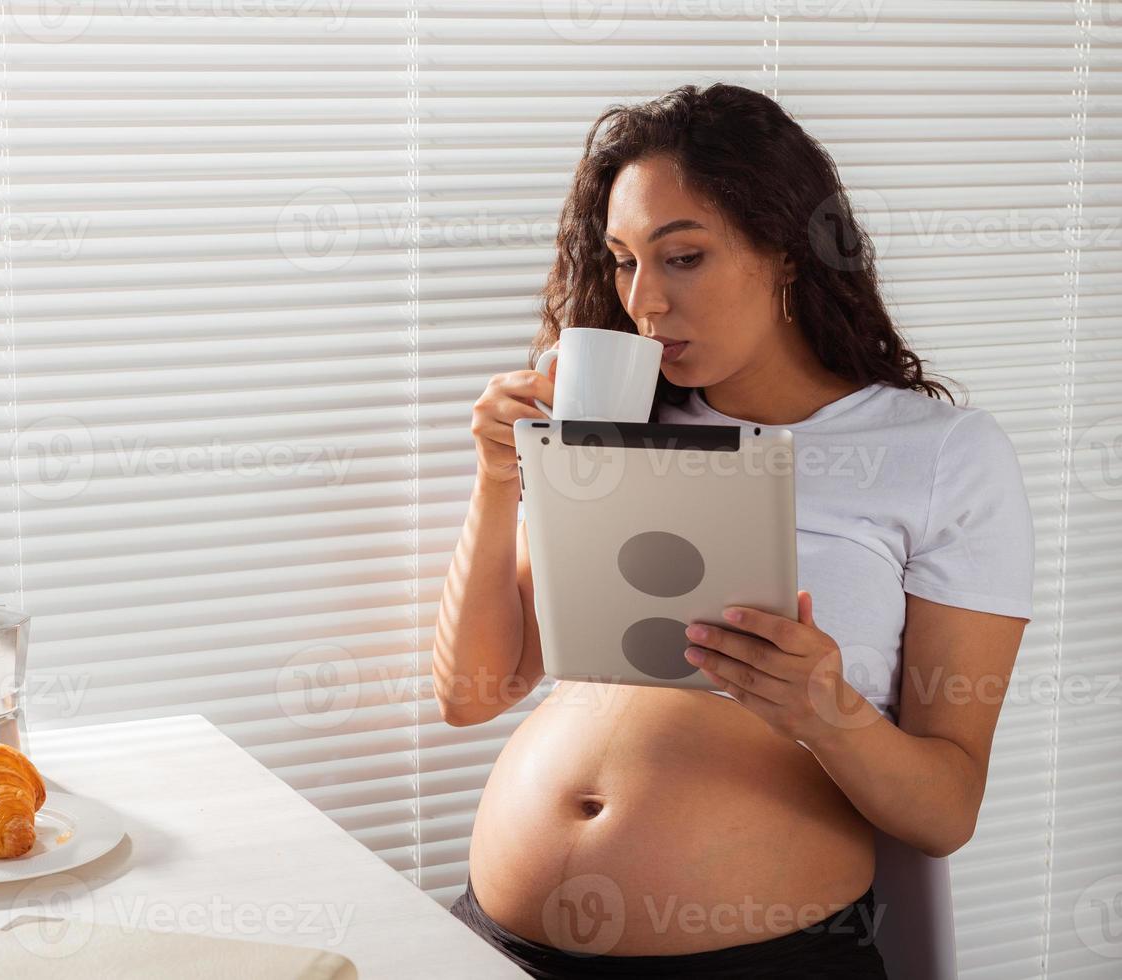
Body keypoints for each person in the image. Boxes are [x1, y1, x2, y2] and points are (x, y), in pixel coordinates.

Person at [433, 82, 1035, 979]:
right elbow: (473, 692)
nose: (645, 301)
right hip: (499, 939)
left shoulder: (940, 452)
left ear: (787, 251)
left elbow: (947, 812)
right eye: (624, 261)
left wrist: (825, 712)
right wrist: (497, 478)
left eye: (682, 258)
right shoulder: (616, 417)